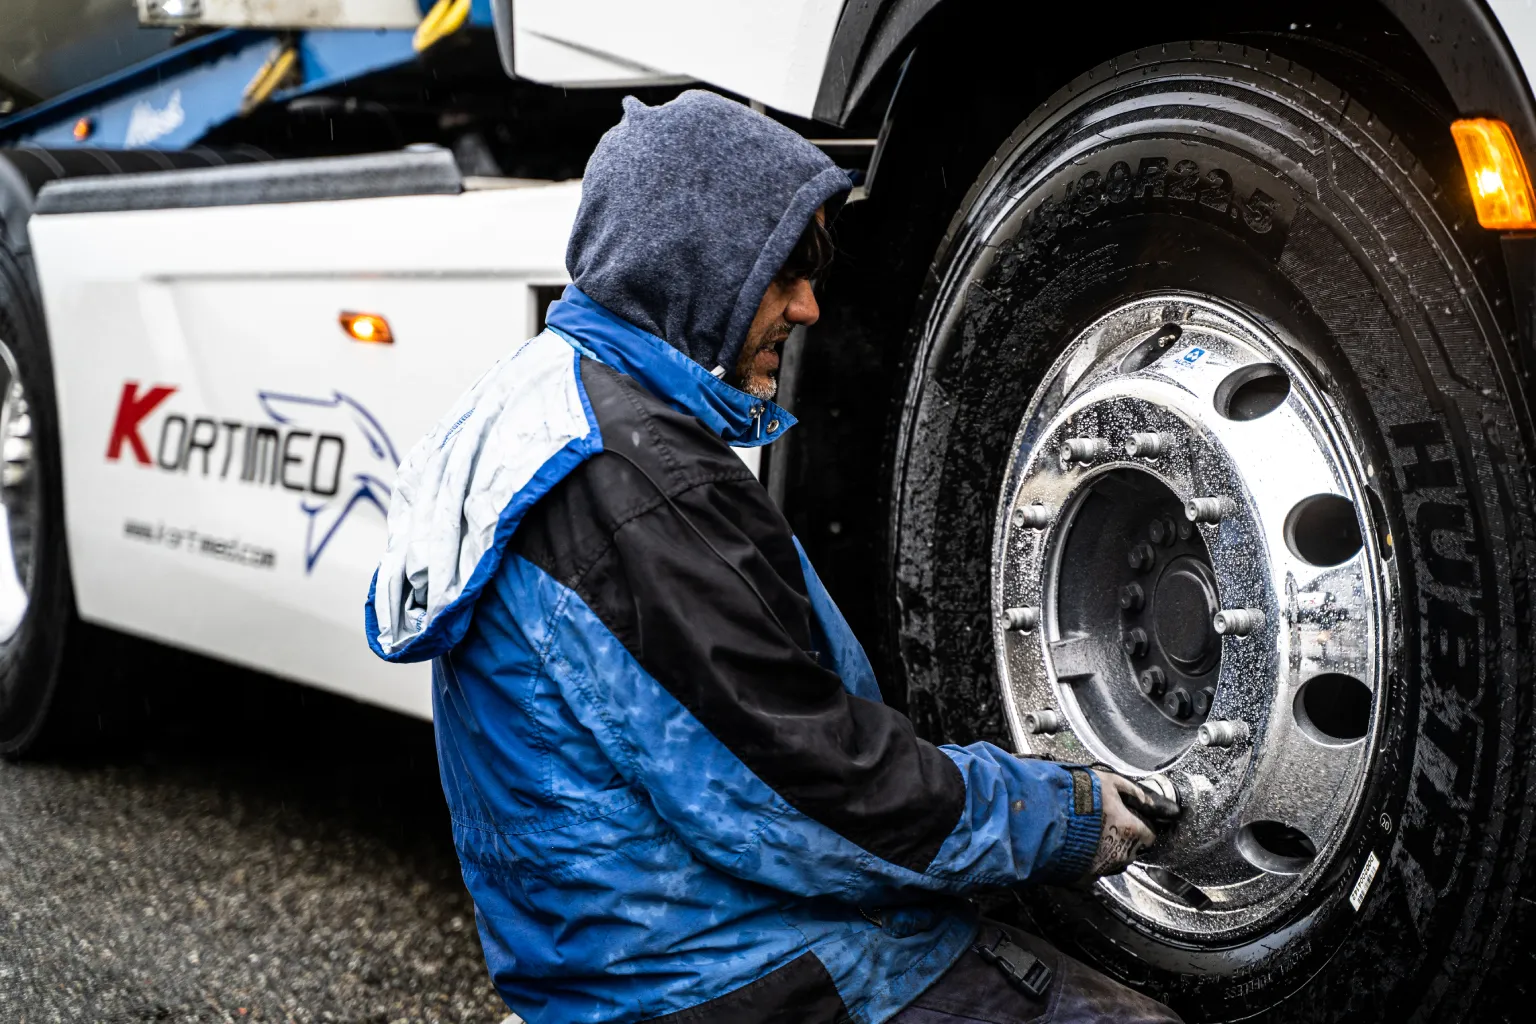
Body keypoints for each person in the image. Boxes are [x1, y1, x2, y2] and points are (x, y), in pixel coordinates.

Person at [366, 90, 1182, 1024]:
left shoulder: (552, 399)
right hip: (724, 971)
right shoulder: (637, 483)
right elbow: (805, 793)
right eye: (784, 272)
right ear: (694, 265)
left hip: (611, 949)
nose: (809, 305)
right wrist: (1060, 818)